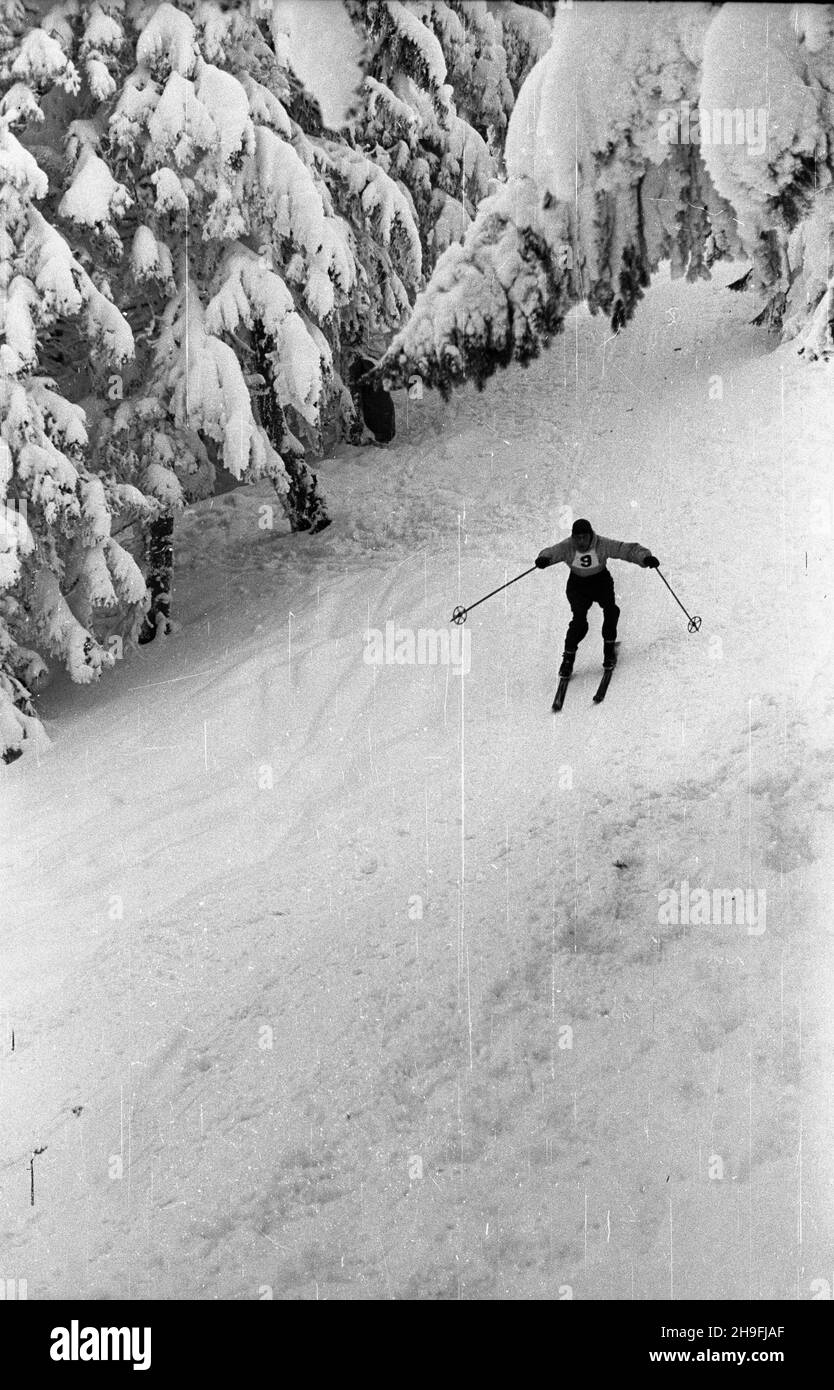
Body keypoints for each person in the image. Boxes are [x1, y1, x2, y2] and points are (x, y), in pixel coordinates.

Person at [535, 518, 659, 675]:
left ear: (590, 536)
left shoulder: (601, 544)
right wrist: (544, 559)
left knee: (611, 611)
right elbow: (551, 552)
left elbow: (625, 549)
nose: (581, 542)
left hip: (600, 582)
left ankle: (609, 651)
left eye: (584, 537)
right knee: (579, 622)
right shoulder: (567, 546)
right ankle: (568, 659)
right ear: (573, 537)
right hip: (577, 586)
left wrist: (645, 558)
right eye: (577, 538)